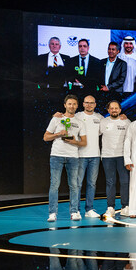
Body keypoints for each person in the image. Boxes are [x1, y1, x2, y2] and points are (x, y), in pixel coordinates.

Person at [43, 94, 87, 222]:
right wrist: (58, 134)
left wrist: (75, 142)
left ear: (77, 106)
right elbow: (46, 137)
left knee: (74, 185)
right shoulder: (56, 119)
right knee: (54, 185)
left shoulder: (79, 123)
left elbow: (84, 142)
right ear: (65, 105)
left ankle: (74, 212)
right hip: (57, 155)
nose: (72, 106)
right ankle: (52, 213)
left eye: (74, 104)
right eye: (69, 104)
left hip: (73, 156)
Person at [99, 100, 131, 217]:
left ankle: (125, 206)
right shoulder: (103, 122)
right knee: (110, 182)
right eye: (111, 108)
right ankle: (110, 207)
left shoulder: (126, 122)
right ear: (108, 110)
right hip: (107, 157)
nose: (114, 110)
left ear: (120, 110)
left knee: (125, 182)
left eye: (116, 108)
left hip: (122, 156)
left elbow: (131, 139)